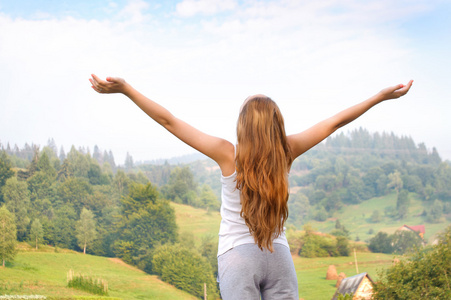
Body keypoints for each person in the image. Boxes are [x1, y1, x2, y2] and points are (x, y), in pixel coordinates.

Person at [89, 74, 413, 299]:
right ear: (277, 124)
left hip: (237, 258)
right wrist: (380, 97)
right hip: (279, 256)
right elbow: (334, 122)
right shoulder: (288, 150)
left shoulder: (226, 154)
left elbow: (168, 121)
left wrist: (127, 89)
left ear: (243, 125)